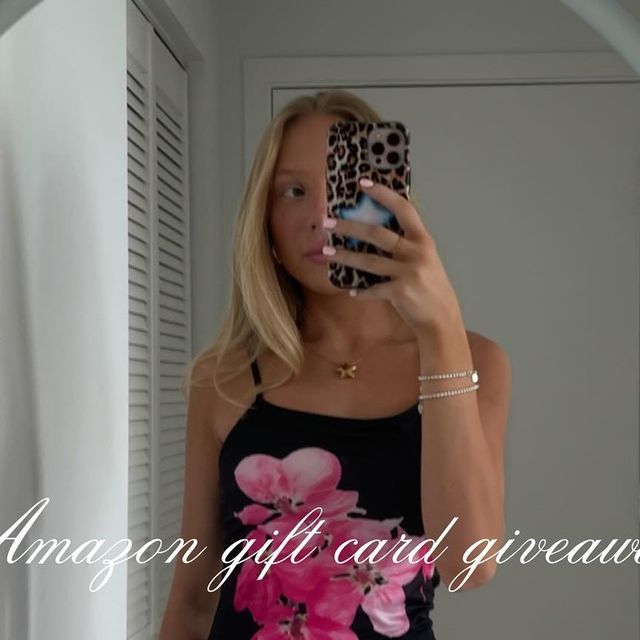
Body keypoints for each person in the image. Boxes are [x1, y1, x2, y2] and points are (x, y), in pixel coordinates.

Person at [158, 89, 511, 640]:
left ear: (391, 203)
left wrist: (439, 326)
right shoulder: (223, 378)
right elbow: (192, 603)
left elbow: (470, 564)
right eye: (294, 191)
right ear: (265, 220)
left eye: (346, 187)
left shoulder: (475, 361)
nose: (322, 216)